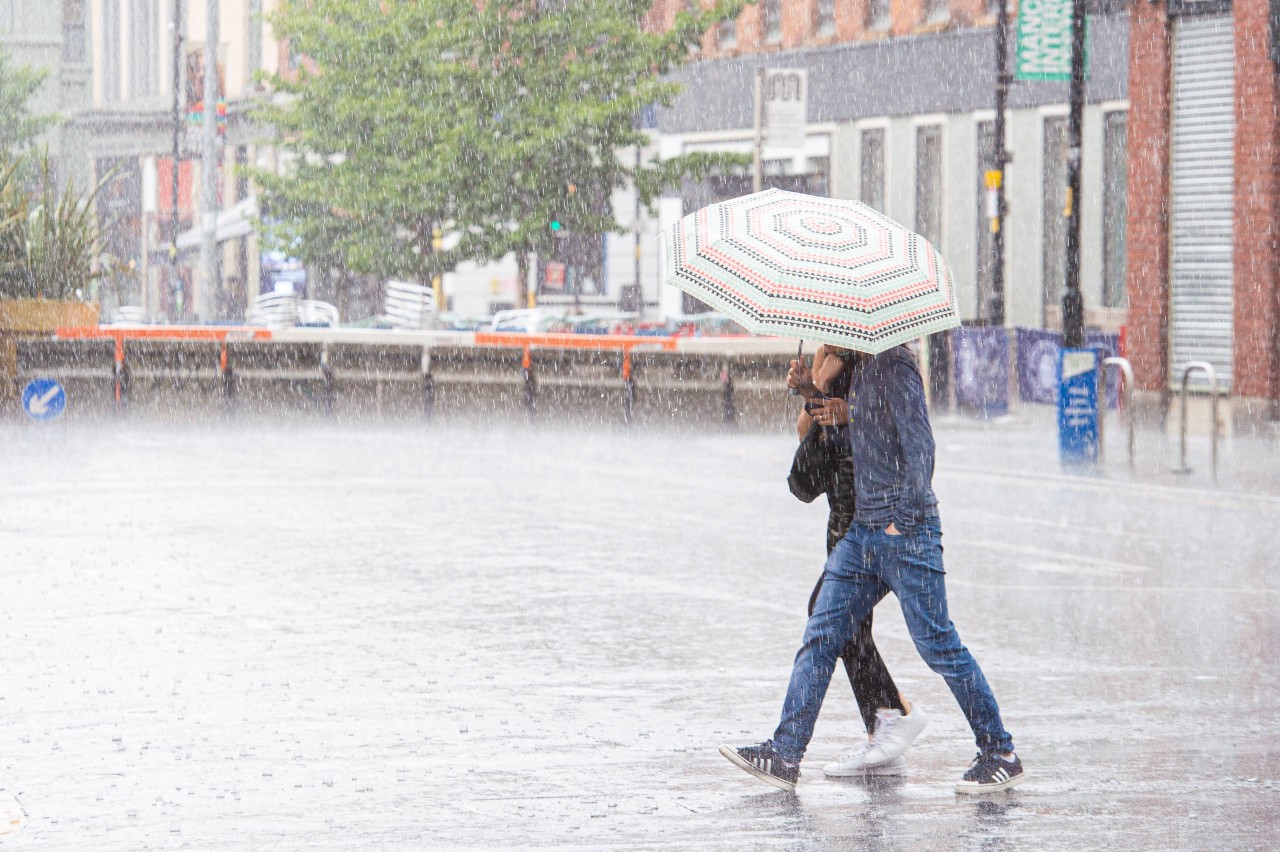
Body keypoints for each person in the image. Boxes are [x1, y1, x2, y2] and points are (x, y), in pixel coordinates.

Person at [721, 343, 1025, 795]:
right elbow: (855, 440)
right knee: (823, 631)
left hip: (905, 534)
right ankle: (784, 754)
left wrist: (900, 520)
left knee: (938, 644)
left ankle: (1000, 751)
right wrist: (814, 395)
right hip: (862, 533)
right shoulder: (862, 368)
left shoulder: (895, 364)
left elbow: (920, 446)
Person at [791, 345, 927, 778]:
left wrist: (848, 412)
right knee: (845, 623)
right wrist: (814, 391)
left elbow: (901, 435)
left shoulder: (884, 361)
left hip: (872, 517)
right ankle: (887, 724)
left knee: (836, 617)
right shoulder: (828, 359)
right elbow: (804, 433)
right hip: (841, 517)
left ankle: (893, 717)